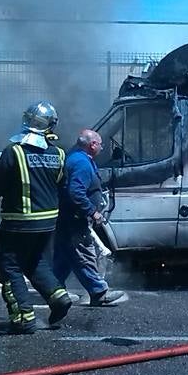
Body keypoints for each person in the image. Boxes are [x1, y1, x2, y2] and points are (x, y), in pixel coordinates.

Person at [0, 101, 73, 335]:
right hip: (48, 223)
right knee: (35, 262)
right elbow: (61, 186)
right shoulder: (59, 154)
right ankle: (59, 298)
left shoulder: (13, 152)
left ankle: (23, 319)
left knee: (10, 267)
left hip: (18, 222)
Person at [54, 129, 127, 308]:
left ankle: (54, 291)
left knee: (65, 256)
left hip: (67, 217)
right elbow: (76, 192)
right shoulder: (81, 163)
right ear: (92, 144)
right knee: (83, 254)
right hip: (75, 218)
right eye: (100, 144)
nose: (102, 147)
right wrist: (92, 211)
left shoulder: (78, 158)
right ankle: (98, 292)